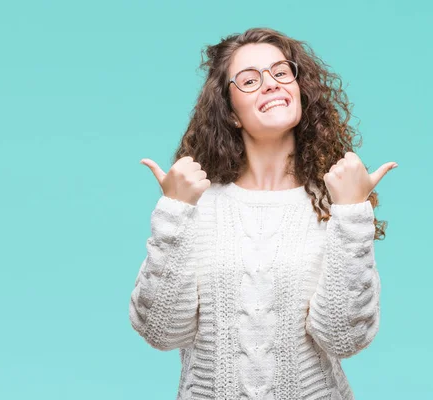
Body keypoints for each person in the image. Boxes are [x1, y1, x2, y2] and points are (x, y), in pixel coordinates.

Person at [128, 27, 397, 399]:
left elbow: (343, 339)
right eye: (250, 80)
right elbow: (160, 331)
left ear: (300, 89)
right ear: (231, 112)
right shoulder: (196, 203)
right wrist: (174, 213)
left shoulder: (333, 201)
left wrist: (352, 213)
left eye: (281, 72)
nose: (270, 84)